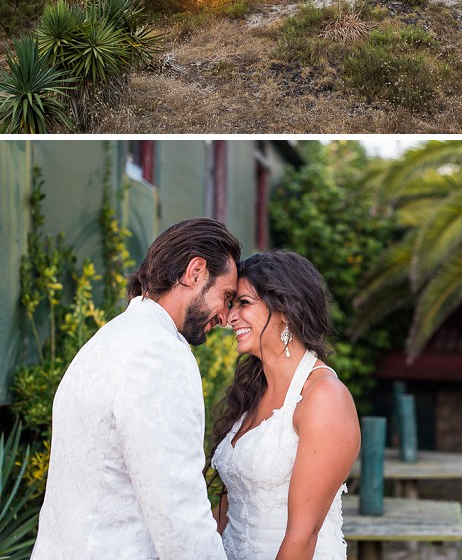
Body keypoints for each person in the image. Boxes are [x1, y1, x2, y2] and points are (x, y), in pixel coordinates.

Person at [32, 217, 241, 560]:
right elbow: (176, 508)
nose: (225, 316)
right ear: (195, 271)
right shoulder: (160, 354)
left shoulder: (107, 339)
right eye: (226, 296)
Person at [212, 250, 360, 560]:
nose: (229, 317)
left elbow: (303, 536)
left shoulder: (324, 397)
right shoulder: (251, 393)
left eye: (243, 303)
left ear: (285, 309)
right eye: (230, 304)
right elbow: (229, 507)